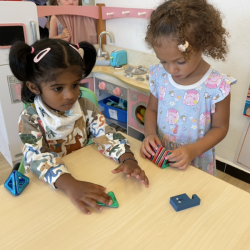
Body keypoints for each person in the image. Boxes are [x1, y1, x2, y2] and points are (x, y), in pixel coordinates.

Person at [9, 38, 149, 214]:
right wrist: (70, 185)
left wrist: (128, 158)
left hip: (84, 172)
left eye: (75, 85)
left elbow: (105, 134)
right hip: (53, 187)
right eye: (58, 88)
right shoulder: (30, 119)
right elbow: (37, 158)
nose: (70, 95)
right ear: (34, 87)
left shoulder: (85, 107)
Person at [140, 0, 237, 175]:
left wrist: (193, 150)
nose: (171, 70)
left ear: (202, 45)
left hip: (196, 160)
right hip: (161, 155)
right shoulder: (159, 77)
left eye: (180, 61)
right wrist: (149, 134)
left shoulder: (218, 86)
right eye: (163, 62)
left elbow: (220, 128)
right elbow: (152, 110)